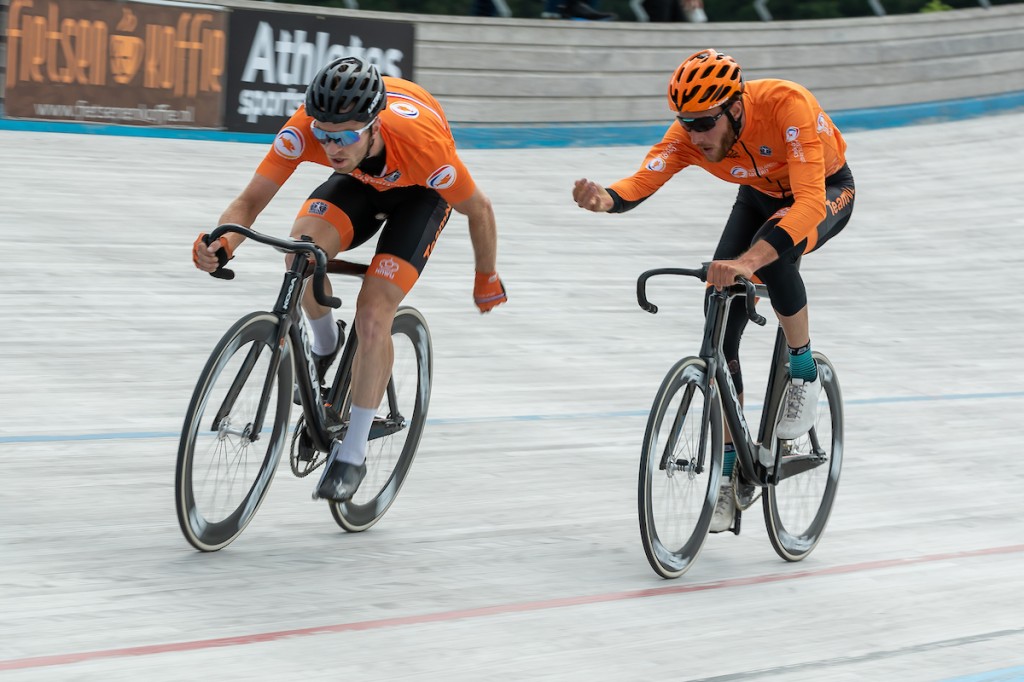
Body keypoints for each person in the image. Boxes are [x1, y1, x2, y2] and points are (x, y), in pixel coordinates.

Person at [193, 56, 507, 502]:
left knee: (374, 314)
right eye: (323, 135)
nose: (332, 146)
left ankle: (353, 452)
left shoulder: (425, 149)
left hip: (419, 194)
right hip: (360, 182)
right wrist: (219, 244)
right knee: (298, 255)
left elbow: (480, 209)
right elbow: (250, 201)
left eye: (344, 137)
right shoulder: (305, 129)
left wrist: (486, 276)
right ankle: (326, 343)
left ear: (375, 126)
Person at [571, 49, 854, 533]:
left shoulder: (788, 105)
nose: (696, 135)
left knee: (773, 252)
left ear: (735, 108)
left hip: (824, 191)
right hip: (759, 196)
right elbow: (644, 179)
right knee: (718, 318)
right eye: (686, 122)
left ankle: (803, 369)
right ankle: (730, 471)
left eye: (704, 122)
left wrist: (747, 262)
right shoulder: (689, 136)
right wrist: (606, 200)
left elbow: (807, 203)